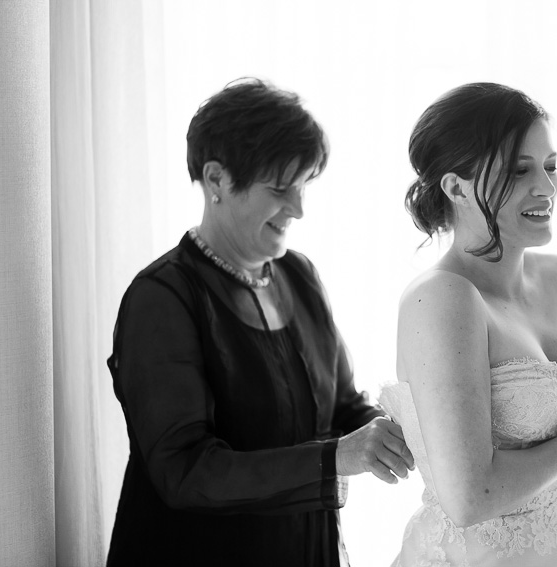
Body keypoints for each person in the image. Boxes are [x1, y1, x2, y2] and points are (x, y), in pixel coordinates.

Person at [106, 78, 414, 567]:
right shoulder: (162, 298)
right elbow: (186, 472)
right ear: (216, 180)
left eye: (304, 185)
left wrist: (414, 428)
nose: (299, 208)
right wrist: (337, 457)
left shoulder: (299, 275)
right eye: (279, 189)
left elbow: (342, 408)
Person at [379, 83, 557, 566]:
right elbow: (471, 497)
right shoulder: (443, 300)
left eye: (551, 166)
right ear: (455, 186)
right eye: (519, 170)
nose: (547, 188)